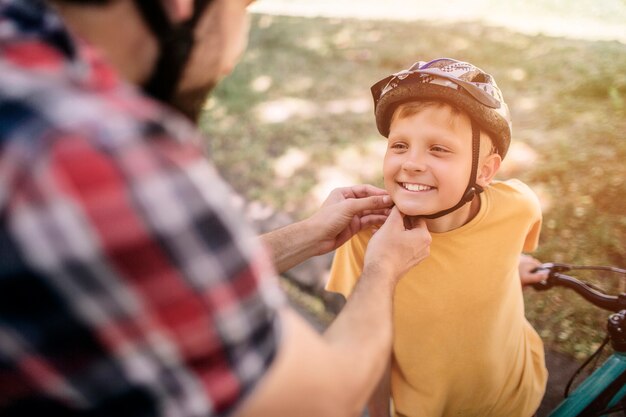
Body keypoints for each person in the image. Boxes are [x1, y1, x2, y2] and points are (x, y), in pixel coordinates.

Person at [0, 1, 433, 416]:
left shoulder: (19, 53)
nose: (234, 52)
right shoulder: (99, 154)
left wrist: (308, 234)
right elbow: (321, 400)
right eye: (243, 7)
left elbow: (165, 282)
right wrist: (383, 269)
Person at [326, 58, 549, 417]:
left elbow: (497, 246)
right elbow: (368, 343)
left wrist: (510, 266)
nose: (411, 163)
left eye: (438, 149)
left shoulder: (518, 207)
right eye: (399, 146)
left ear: (485, 170)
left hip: (514, 392)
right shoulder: (369, 239)